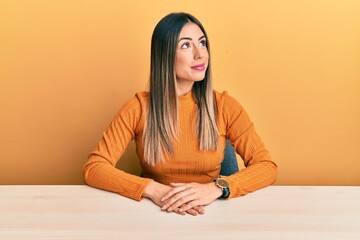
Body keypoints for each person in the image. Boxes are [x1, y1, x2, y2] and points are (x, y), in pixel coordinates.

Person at [83, 12, 277, 216]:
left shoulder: (225, 106)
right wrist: (153, 189)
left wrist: (217, 188)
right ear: (164, 55)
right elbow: (94, 167)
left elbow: (266, 166)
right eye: (186, 45)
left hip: (212, 213)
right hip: (157, 211)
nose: (200, 54)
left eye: (202, 43)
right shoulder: (138, 108)